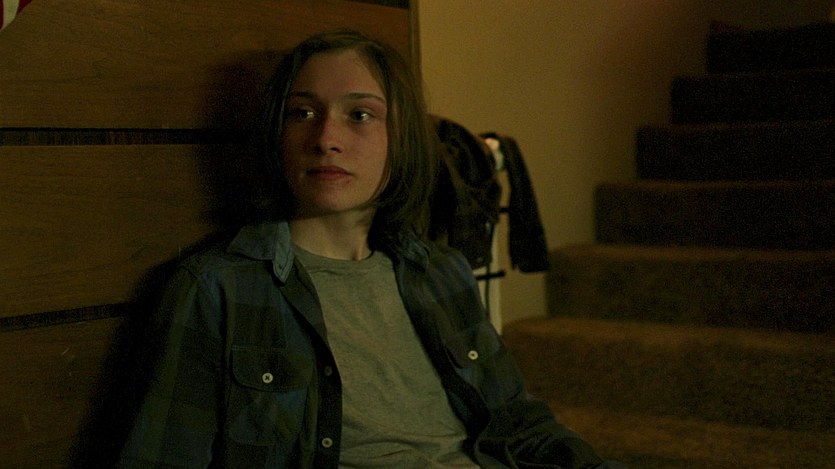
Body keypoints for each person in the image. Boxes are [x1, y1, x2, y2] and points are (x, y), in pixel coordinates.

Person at [117, 29, 623, 468]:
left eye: (359, 114)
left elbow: (516, 421)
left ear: (399, 138)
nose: (326, 138)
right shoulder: (219, 289)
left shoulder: (439, 272)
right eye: (303, 112)